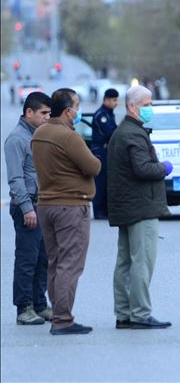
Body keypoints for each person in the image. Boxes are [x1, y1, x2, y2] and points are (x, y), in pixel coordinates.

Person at [31, 88, 101, 335]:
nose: (79, 110)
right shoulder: (68, 137)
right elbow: (92, 166)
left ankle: (58, 312)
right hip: (70, 206)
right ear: (69, 111)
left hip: (46, 205)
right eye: (78, 106)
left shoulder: (39, 133)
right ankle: (63, 319)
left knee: (55, 262)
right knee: (70, 264)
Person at [107, 86, 173, 329]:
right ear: (132, 107)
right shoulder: (133, 134)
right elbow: (143, 169)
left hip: (127, 206)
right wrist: (164, 168)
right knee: (142, 262)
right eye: (146, 105)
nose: (150, 108)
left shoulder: (123, 131)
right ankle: (140, 313)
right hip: (140, 207)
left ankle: (123, 313)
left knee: (125, 262)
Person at [5, 92, 52, 325]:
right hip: (28, 207)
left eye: (49, 113)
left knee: (43, 258)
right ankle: (24, 308)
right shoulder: (17, 139)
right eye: (43, 113)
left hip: (42, 205)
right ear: (29, 112)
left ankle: (40, 304)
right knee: (27, 259)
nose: (47, 117)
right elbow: (15, 179)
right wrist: (26, 208)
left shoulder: (39, 137)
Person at [90, 88, 119, 219]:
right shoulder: (101, 115)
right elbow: (111, 132)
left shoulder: (109, 113)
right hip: (100, 152)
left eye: (117, 100)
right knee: (100, 182)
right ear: (106, 100)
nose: (116, 103)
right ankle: (98, 210)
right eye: (113, 100)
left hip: (107, 151)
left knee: (108, 181)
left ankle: (106, 209)